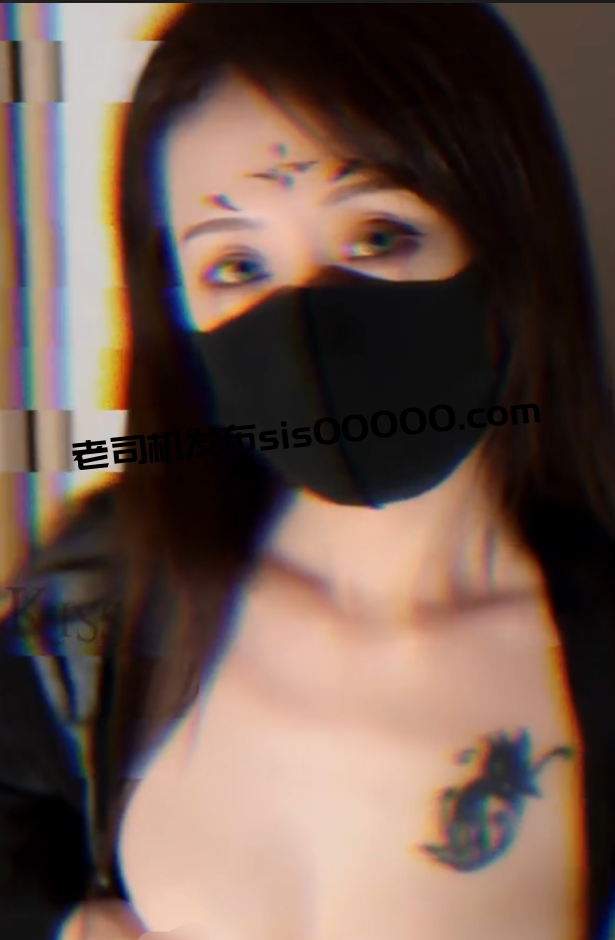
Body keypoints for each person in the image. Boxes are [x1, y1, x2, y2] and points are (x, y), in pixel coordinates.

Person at [2, 5, 615, 939]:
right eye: (234, 265)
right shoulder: (107, 583)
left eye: (376, 237)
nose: (303, 327)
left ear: (504, 245)